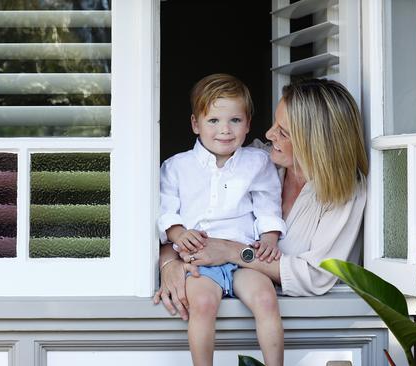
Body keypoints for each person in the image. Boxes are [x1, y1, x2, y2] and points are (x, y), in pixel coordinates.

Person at [154, 78, 369, 363]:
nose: (268, 134)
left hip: (300, 328)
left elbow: (315, 275)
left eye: (283, 132)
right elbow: (171, 215)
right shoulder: (258, 160)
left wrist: (232, 251)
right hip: (204, 278)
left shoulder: (344, 192)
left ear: (313, 141)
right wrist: (169, 262)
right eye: (274, 125)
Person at [158, 73, 287, 366]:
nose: (225, 130)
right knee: (202, 304)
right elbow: (165, 209)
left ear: (248, 124)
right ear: (195, 124)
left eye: (235, 121)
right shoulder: (177, 166)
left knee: (267, 300)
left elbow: (267, 202)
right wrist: (178, 234)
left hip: (244, 258)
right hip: (200, 260)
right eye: (213, 121)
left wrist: (269, 236)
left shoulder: (258, 163)